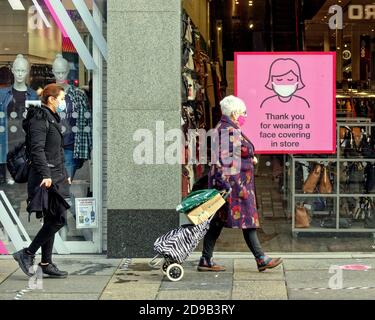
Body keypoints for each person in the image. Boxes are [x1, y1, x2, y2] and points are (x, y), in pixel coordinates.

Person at [197, 95, 283, 272]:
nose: (245, 115)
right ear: (235, 113)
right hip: (235, 187)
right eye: (243, 112)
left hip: (233, 185)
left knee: (217, 222)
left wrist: (249, 159)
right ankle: (261, 258)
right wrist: (226, 184)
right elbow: (224, 159)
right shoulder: (228, 131)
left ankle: (206, 259)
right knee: (248, 219)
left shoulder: (227, 128)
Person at [13, 83, 71, 278]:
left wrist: (64, 173)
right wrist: (46, 175)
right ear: (51, 99)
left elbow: (55, 151)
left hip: (55, 176)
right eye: (61, 99)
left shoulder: (52, 118)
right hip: (44, 178)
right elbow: (37, 150)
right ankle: (27, 253)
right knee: (58, 219)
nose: (63, 103)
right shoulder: (40, 118)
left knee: (52, 218)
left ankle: (46, 263)